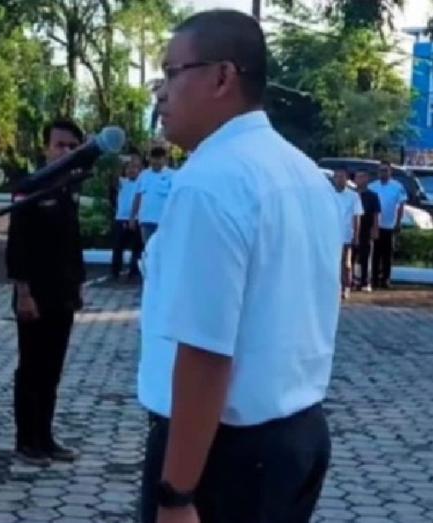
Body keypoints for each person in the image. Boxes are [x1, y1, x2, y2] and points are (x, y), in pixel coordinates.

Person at [138, 10, 341, 523]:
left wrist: (177, 494)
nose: (161, 92)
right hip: (297, 438)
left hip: (223, 459)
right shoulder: (303, 173)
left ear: (222, 77)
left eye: (171, 72)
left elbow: (205, 352)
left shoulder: (210, 182)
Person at [5, 118, 85, 466]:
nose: (65, 152)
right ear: (45, 147)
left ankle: (46, 436)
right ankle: (27, 440)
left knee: (52, 369)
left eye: (72, 146)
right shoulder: (30, 187)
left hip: (62, 293)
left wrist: (78, 284)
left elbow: (72, 243)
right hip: (34, 294)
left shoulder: (69, 186)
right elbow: (17, 244)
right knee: (32, 367)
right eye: (59, 145)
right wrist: (23, 291)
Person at [369, 160, 406, 289]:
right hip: (376, 226)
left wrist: (398, 222)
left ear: (390, 171)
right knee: (375, 254)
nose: (383, 173)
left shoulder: (397, 186)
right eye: (381, 170)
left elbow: (401, 206)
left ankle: (385, 279)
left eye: (385, 170)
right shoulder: (372, 186)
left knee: (387, 254)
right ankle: (374, 280)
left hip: (390, 225)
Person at [130, 146, 177, 244]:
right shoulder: (143, 175)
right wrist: (132, 217)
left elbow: (177, 198)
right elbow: (138, 197)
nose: (156, 161)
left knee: (163, 249)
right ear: (150, 158)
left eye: (159, 158)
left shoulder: (173, 175)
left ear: (165, 159)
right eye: (154, 158)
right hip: (146, 220)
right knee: (148, 250)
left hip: (164, 221)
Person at [111, 151, 143, 281]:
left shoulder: (142, 183)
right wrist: (122, 160)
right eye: (129, 167)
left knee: (137, 248)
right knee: (118, 247)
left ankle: (133, 273)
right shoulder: (121, 182)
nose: (132, 170)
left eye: (135, 167)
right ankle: (115, 272)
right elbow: (113, 173)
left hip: (136, 219)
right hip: (120, 219)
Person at [333, 169, 363, 299]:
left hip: (346, 235)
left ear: (347, 179)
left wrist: (356, 235)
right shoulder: (329, 194)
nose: (339, 179)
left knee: (346, 262)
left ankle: (346, 287)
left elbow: (357, 216)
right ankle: (335, 287)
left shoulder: (353, 196)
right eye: (337, 177)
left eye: (342, 177)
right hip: (331, 235)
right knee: (333, 262)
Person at [354, 170, 381, 291]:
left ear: (367, 179)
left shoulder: (373, 196)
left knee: (365, 256)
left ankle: (365, 281)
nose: (360, 180)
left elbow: (376, 214)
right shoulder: (352, 194)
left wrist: (375, 229)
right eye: (358, 177)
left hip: (366, 229)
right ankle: (352, 280)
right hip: (353, 229)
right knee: (351, 256)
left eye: (362, 177)